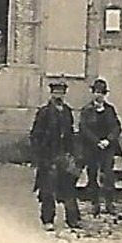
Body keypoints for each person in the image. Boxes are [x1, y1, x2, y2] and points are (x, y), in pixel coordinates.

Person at [28, 79, 81, 230]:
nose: (59, 95)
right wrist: (39, 157)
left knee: (68, 188)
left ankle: (72, 220)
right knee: (48, 190)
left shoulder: (67, 112)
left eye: (61, 93)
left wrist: (72, 155)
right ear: (51, 94)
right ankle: (48, 220)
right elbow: (35, 135)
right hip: (48, 156)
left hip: (64, 155)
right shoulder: (44, 112)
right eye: (56, 92)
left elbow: (70, 134)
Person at [77, 77, 122, 216]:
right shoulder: (86, 110)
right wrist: (96, 141)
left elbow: (116, 127)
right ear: (92, 93)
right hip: (92, 148)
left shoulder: (110, 109)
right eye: (96, 92)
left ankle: (109, 203)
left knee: (108, 175)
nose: (99, 95)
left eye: (102, 92)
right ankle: (95, 203)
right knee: (92, 176)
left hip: (107, 148)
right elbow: (83, 129)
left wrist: (108, 140)